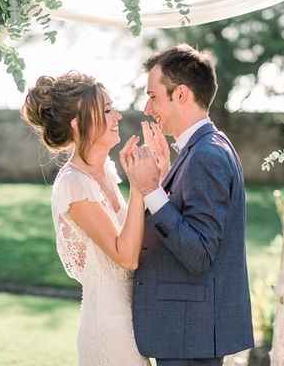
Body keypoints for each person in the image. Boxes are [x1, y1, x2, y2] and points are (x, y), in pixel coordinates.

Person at [126, 44, 255, 366]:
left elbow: (199, 252)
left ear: (181, 94)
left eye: (153, 96)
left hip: (190, 334)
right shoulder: (202, 149)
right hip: (188, 332)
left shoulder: (206, 155)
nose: (146, 107)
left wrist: (151, 190)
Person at [22, 71, 161, 366]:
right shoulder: (74, 184)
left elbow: (138, 236)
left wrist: (157, 177)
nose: (118, 116)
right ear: (77, 123)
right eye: (107, 110)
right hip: (109, 328)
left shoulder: (106, 171)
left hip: (133, 322)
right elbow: (126, 256)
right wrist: (139, 188)